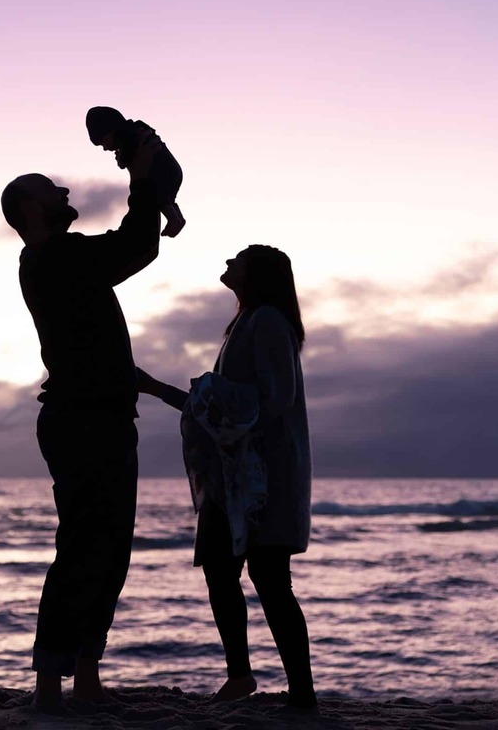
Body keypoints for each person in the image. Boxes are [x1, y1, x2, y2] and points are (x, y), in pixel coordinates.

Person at [0, 129, 162, 714]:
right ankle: (52, 683)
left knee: (104, 549)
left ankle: (83, 676)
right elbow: (136, 245)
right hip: (86, 422)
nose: (64, 189)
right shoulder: (58, 257)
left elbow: (99, 354)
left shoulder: (49, 262)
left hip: (96, 416)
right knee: (86, 549)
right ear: (28, 208)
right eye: (50, 189)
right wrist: (141, 180)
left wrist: (167, 392)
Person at [137, 245, 317, 710]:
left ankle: (302, 693)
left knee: (271, 577)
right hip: (230, 477)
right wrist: (161, 389)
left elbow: (271, 399)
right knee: (220, 570)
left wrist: (179, 391)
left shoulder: (268, 321)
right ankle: (241, 676)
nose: (226, 266)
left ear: (256, 274)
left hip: (262, 477)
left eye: (235, 261)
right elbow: (221, 406)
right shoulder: (245, 322)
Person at [86, 106, 185, 237]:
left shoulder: (130, 136)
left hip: (161, 174)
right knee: (165, 198)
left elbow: (125, 160)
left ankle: (174, 219)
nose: (105, 148)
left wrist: (121, 160)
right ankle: (177, 216)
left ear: (110, 131)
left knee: (158, 195)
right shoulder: (137, 129)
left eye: (103, 142)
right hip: (173, 170)